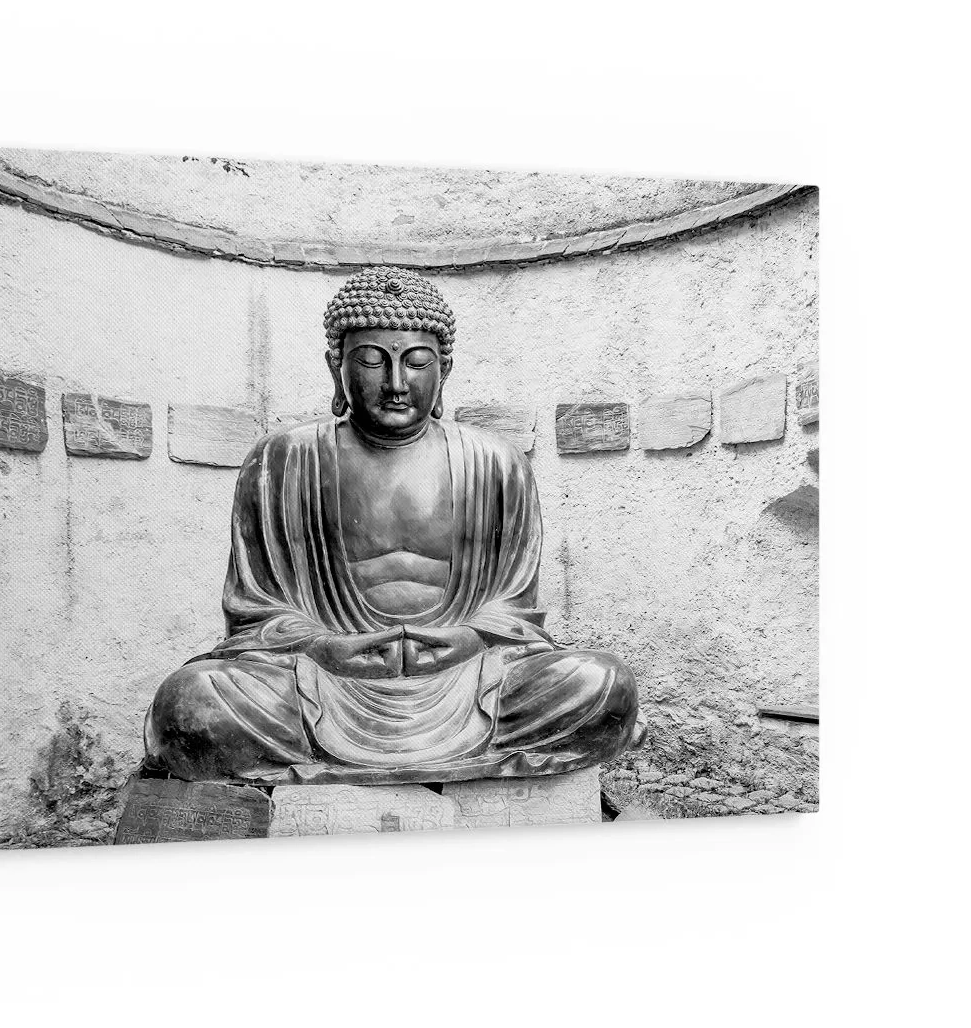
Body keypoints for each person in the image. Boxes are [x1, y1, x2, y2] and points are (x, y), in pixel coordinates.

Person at [144, 266, 643, 784]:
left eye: (417, 362)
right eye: (371, 361)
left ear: (443, 371)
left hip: (470, 679)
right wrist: (321, 646)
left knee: (603, 684)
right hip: (323, 681)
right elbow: (257, 609)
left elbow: (513, 606)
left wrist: (470, 637)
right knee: (191, 703)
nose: (396, 383)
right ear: (336, 367)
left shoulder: (496, 463)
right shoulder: (283, 460)